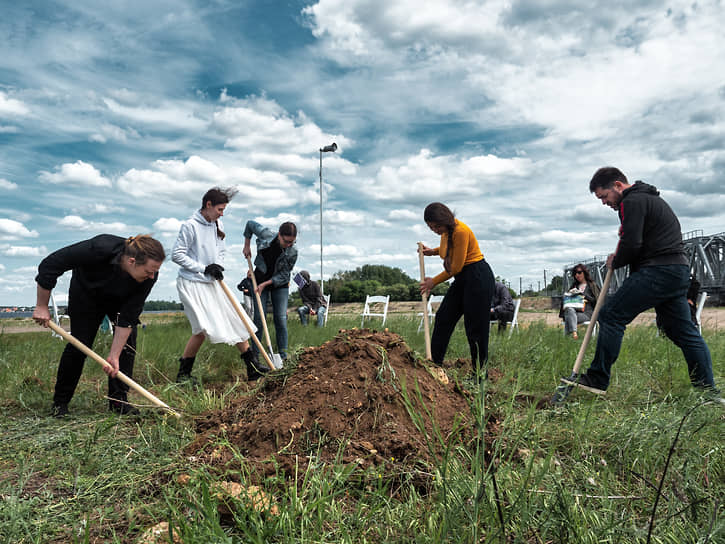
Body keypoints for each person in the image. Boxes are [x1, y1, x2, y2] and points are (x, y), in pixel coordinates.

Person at [563, 167, 718, 395]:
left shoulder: (632, 201)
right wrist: (627, 234)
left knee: (611, 315)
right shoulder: (649, 200)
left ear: (618, 185)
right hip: (678, 272)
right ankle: (708, 391)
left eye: (604, 196)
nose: (604, 203)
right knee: (681, 330)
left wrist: (617, 260)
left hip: (659, 270)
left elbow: (632, 244)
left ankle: (596, 379)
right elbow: (639, 236)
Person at [32, 234, 165, 417]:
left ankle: (118, 402)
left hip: (119, 300)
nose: (152, 276)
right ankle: (60, 403)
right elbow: (50, 264)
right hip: (86, 295)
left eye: (154, 271)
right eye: (149, 271)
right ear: (132, 261)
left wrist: (114, 356)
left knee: (127, 344)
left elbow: (128, 317)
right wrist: (41, 306)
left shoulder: (149, 276)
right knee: (80, 344)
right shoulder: (99, 247)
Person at [172, 188, 262, 383]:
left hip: (213, 280)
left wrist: (217, 266)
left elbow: (221, 250)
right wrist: (204, 267)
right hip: (192, 283)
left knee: (235, 318)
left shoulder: (217, 223)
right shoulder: (189, 226)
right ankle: (183, 375)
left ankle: (252, 366)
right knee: (202, 329)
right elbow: (177, 255)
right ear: (208, 205)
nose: (222, 213)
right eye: (220, 209)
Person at [419, 202, 495, 377]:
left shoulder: (460, 230)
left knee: (475, 328)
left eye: (437, 226)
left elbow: (456, 267)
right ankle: (434, 366)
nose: (435, 230)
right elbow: (449, 249)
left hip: (477, 277)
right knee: (444, 317)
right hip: (463, 279)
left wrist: (433, 282)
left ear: (444, 219)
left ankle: (480, 374)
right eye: (431, 228)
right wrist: (433, 252)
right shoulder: (446, 231)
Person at [243, 220, 298, 361]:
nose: (289, 245)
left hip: (279, 286)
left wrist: (266, 284)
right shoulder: (266, 234)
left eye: (292, 242)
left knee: (280, 319)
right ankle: (255, 356)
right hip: (259, 280)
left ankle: (283, 357)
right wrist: (246, 245)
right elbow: (250, 224)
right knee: (259, 319)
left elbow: (285, 275)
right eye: (286, 241)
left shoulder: (293, 252)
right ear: (279, 235)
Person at [559, 264, 600, 339]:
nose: (577, 275)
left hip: (587, 313)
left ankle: (568, 337)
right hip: (574, 312)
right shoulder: (574, 286)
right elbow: (567, 303)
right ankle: (574, 333)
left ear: (584, 273)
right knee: (569, 310)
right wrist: (569, 295)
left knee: (569, 316)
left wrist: (583, 295)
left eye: (579, 272)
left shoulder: (592, 285)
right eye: (575, 273)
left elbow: (597, 301)